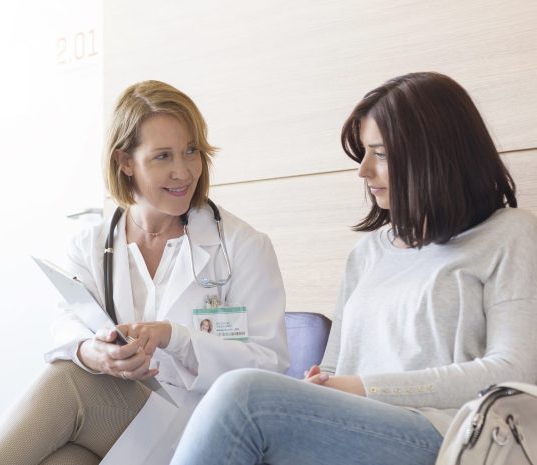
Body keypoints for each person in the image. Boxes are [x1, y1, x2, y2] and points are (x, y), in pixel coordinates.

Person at [169, 71, 537, 465]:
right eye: (364, 153)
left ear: (433, 155)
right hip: (360, 430)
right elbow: (334, 368)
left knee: (243, 397)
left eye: (380, 154)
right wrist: (322, 388)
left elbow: (511, 371)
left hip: (449, 436)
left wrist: (365, 388)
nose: (363, 170)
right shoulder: (367, 254)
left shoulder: (509, 234)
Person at [0, 80, 288, 465]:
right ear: (125, 162)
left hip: (203, 430)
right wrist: (93, 352)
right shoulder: (90, 245)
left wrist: (176, 338)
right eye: (163, 156)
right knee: (62, 459)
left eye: (191, 151)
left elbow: (270, 367)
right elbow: (68, 325)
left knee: (69, 379)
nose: (183, 171)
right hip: (126, 431)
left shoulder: (242, 247)